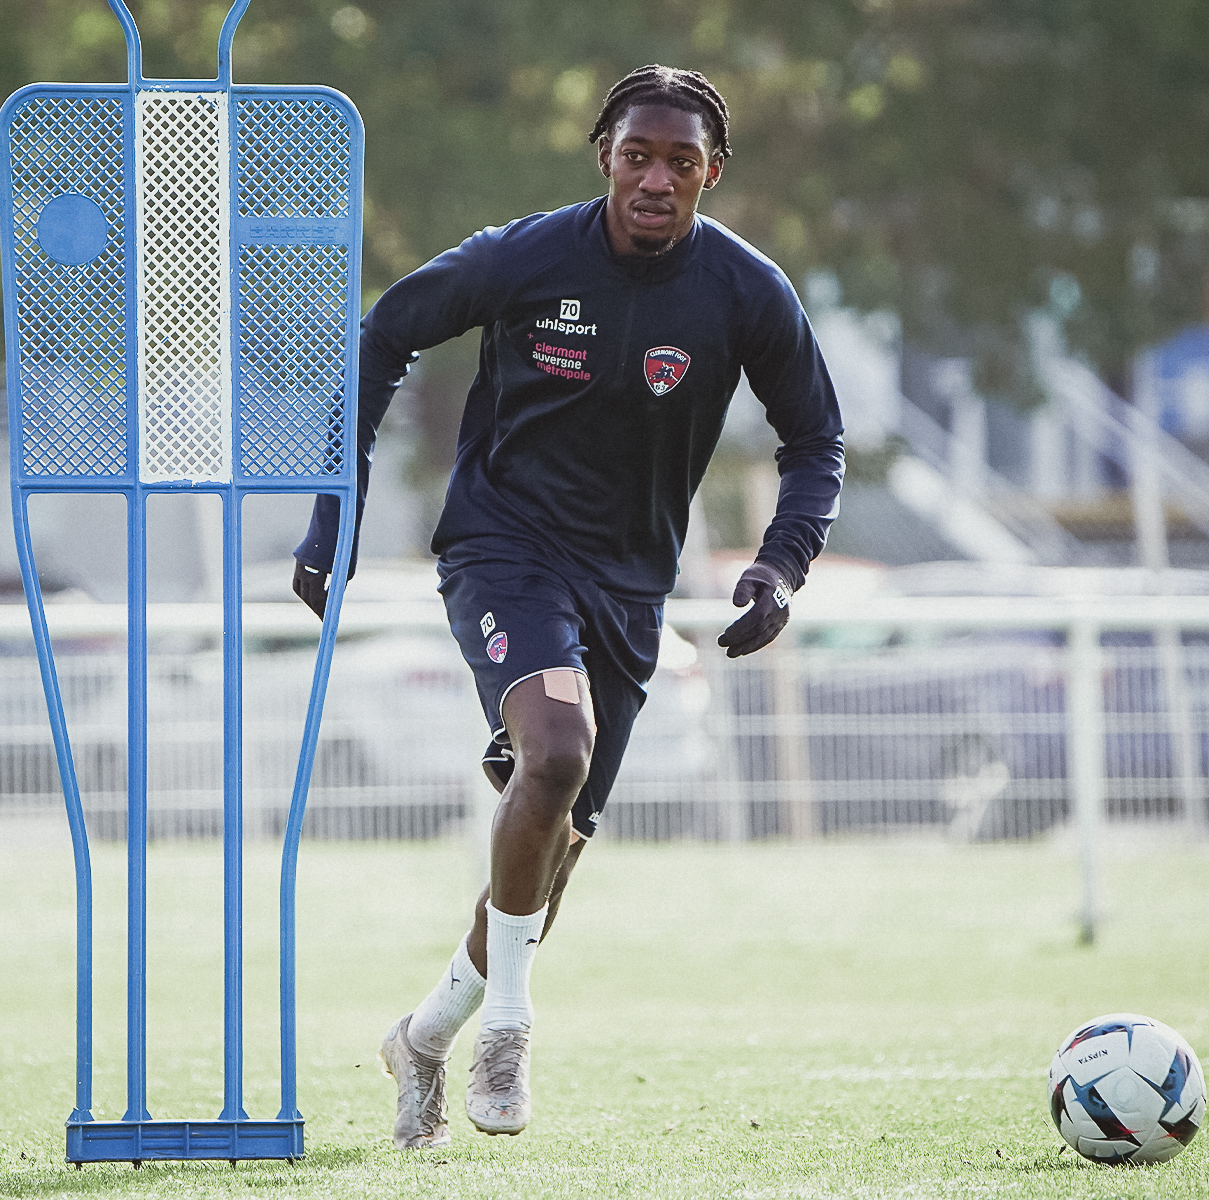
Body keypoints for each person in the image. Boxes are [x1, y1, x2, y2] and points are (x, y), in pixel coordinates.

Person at [291, 64, 845, 1149]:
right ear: (604, 155)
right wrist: (333, 516)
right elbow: (381, 335)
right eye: (636, 154)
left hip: (631, 590)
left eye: (680, 162)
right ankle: (507, 1030)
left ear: (710, 175)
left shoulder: (744, 292)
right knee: (552, 754)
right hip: (504, 550)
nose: (655, 177)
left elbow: (815, 439)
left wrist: (780, 566)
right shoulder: (524, 257)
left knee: (551, 844)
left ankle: (425, 1035)